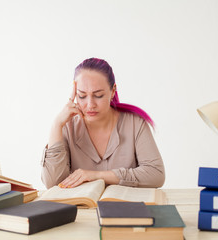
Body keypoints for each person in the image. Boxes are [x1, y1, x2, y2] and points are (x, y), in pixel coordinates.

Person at [41, 58, 165, 189]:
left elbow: (156, 175)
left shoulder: (135, 124)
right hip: (81, 209)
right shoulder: (67, 127)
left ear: (112, 91)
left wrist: (97, 176)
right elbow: (53, 183)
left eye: (98, 95)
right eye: (82, 96)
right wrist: (56, 125)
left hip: (127, 207)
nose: (90, 105)